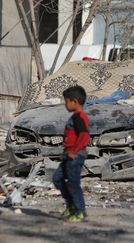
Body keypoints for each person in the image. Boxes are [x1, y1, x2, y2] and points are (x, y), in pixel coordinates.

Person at [52, 85, 90, 222]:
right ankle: (71, 205)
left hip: (75, 156)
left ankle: (80, 211)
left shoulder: (80, 117)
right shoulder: (74, 117)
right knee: (57, 178)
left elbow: (84, 136)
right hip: (68, 155)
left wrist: (74, 152)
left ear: (74, 101)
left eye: (66, 101)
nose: (65, 104)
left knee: (73, 183)